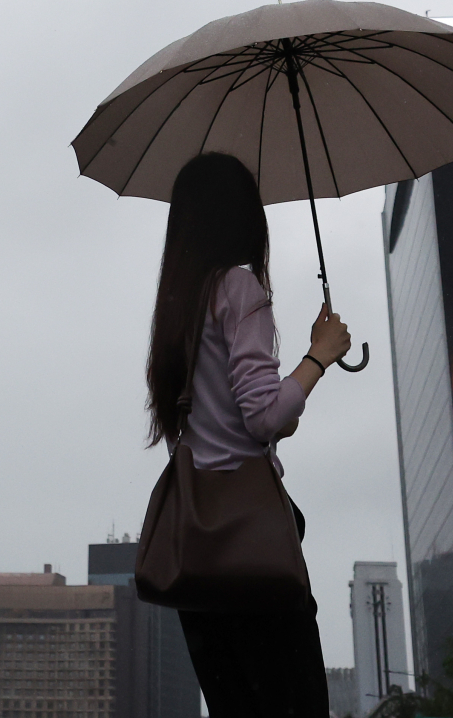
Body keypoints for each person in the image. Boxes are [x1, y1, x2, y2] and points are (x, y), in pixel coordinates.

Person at [146, 151, 354, 718]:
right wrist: (319, 356)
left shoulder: (179, 305)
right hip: (252, 549)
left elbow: (225, 419)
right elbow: (264, 418)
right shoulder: (240, 289)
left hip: (199, 555)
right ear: (243, 217)